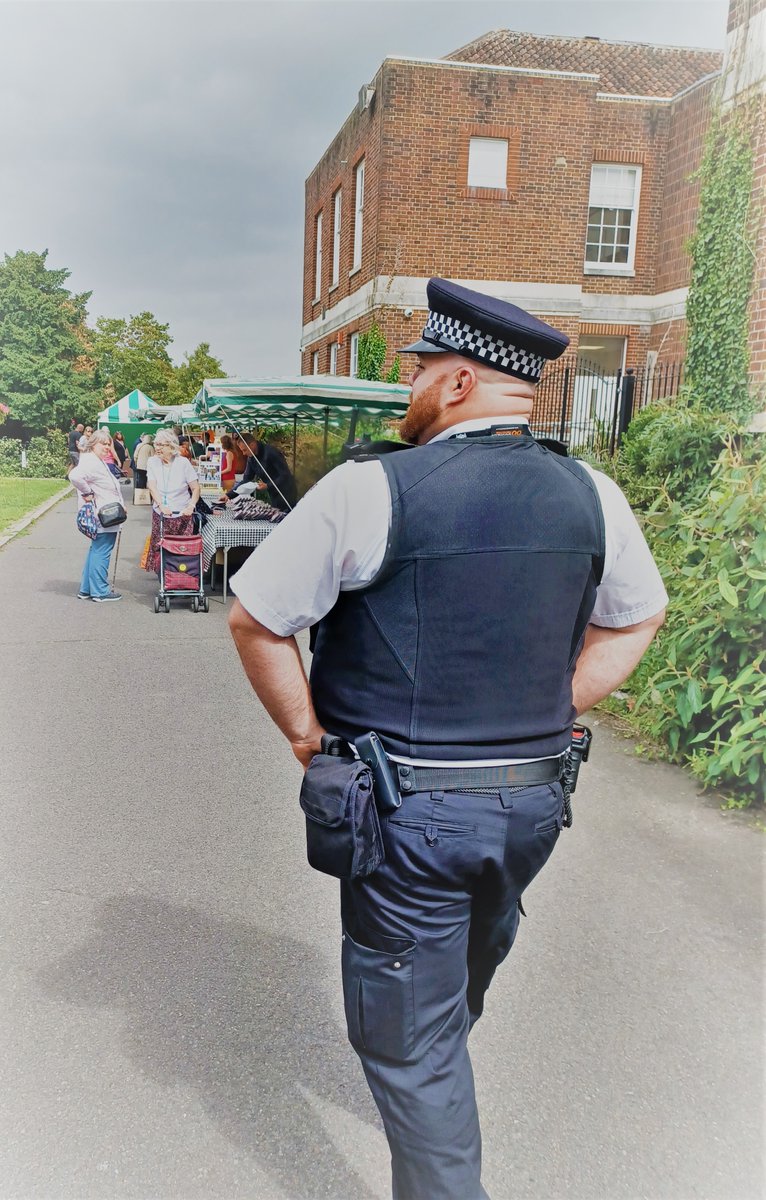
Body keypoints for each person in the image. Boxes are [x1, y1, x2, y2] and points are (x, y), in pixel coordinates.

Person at [226, 278, 668, 1200]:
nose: (412, 387)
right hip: (535, 805)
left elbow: (257, 619)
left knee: (411, 1043)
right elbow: (638, 618)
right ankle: (431, 1067)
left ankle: (427, 1098)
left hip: (409, 815)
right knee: (470, 955)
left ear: (460, 381)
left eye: (422, 370)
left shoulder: (369, 488)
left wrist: (309, 739)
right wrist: (559, 701)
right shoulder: (594, 492)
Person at [69, 429, 127, 602]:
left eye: (109, 444)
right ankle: (100, 591)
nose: (108, 447)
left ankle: (86, 589)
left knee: (96, 550)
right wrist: (87, 493)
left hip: (105, 511)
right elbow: (74, 476)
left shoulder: (94, 460)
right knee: (102, 551)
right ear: (93, 444)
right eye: (104, 443)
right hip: (104, 514)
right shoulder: (91, 462)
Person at [144, 429, 201, 575]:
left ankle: (181, 579)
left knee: (182, 550)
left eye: (161, 445)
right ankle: (165, 579)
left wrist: (191, 506)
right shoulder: (152, 462)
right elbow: (152, 485)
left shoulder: (183, 463)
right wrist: (161, 505)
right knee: (160, 548)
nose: (157, 448)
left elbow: (195, 488)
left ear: (171, 446)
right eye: (156, 444)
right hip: (161, 513)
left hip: (182, 514)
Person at [228, 433, 296, 511]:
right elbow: (246, 479)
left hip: (287, 492)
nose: (244, 453)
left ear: (252, 445)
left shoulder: (271, 452)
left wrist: (268, 485)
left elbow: (285, 475)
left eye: (245, 450)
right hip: (273, 493)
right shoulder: (251, 459)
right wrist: (228, 495)